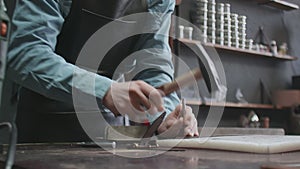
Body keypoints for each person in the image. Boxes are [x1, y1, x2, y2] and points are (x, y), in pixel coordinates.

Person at [6, 0, 198, 142]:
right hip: (43, 127)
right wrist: (104, 90)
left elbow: (153, 63)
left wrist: (166, 115)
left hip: (111, 130)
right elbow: (27, 54)